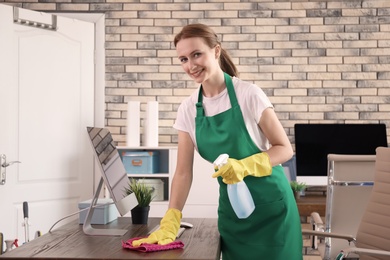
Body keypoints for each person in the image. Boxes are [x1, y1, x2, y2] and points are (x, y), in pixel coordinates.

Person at [132, 23, 303, 260]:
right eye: (183, 59)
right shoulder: (188, 109)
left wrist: (244, 166)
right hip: (233, 212)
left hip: (272, 210)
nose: (190, 65)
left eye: (196, 54)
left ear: (216, 51)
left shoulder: (249, 94)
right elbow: (182, 173)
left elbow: (285, 149)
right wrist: (172, 217)